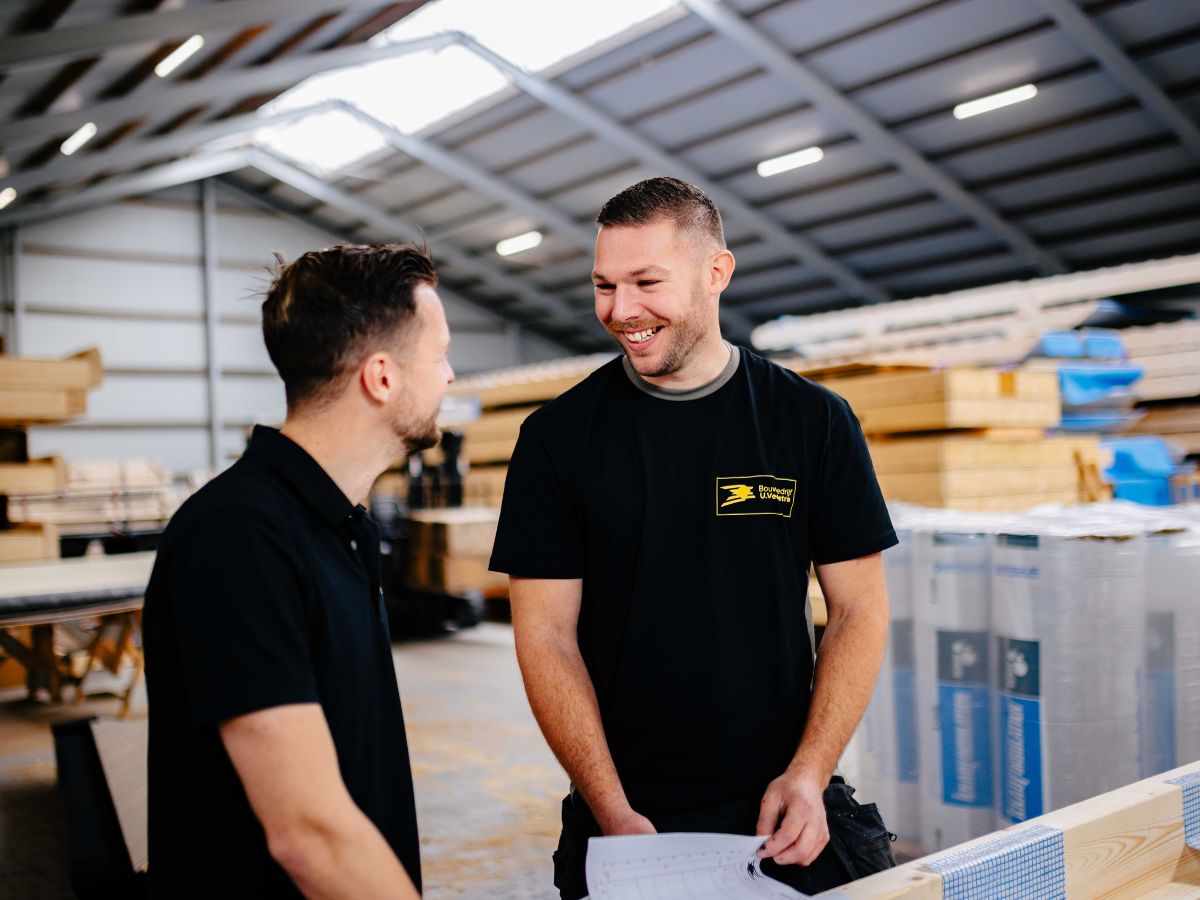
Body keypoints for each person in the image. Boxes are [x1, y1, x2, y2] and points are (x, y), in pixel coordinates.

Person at [489, 177, 898, 898]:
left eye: (647, 282)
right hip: (624, 814)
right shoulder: (557, 440)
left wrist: (809, 772)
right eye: (604, 285)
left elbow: (860, 611)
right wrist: (610, 809)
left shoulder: (812, 423)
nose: (622, 311)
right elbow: (545, 637)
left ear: (717, 273)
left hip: (780, 804)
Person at [143, 243, 454, 898]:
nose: (450, 377)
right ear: (382, 376)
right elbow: (308, 833)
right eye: (440, 355)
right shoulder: (238, 538)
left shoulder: (342, 527)